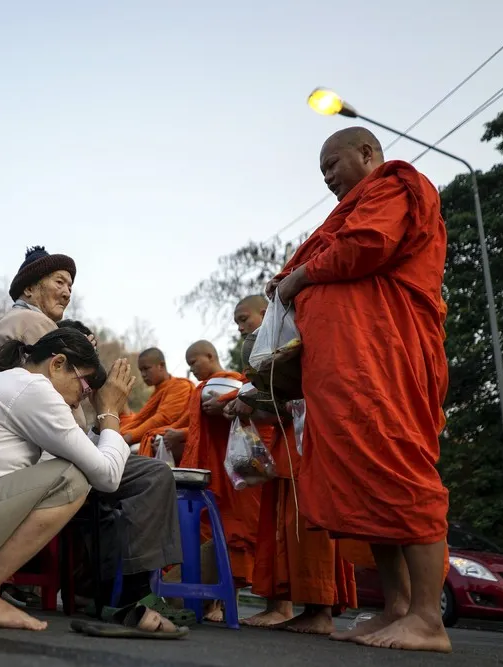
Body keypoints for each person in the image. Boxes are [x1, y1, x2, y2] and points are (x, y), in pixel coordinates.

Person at [267, 127, 450, 653]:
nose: (327, 178)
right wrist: (288, 279)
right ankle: (396, 607)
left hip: (384, 353)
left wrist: (300, 277)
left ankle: (427, 620)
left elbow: (368, 245)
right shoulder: (347, 209)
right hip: (343, 364)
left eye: (332, 165)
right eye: (321, 172)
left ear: (368, 154)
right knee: (366, 475)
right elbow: (322, 251)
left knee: (396, 463)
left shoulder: (397, 185)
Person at [0, 329, 189, 634]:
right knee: (71, 480)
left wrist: (102, 419)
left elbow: (82, 457)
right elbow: (105, 477)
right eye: (82, 389)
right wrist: (109, 412)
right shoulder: (34, 390)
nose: (79, 403)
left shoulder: (13, 387)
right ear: (56, 364)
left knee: (70, 471)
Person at [0, 251, 182, 617]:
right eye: (59, 281)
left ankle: (101, 592)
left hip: (50, 444)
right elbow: (90, 392)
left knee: (108, 481)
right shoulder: (30, 320)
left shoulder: (26, 323)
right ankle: (132, 593)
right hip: (47, 449)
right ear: (30, 287)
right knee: (152, 475)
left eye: (70, 285)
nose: (67, 291)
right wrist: (103, 392)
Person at [226, 296, 357, 633]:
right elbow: (282, 406)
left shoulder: (307, 342)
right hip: (287, 447)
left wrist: (254, 399)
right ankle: (289, 605)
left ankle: (319, 611)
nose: (240, 327)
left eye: (244, 319)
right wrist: (250, 408)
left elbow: (310, 394)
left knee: (308, 529)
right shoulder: (268, 347)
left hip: (309, 448)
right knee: (284, 530)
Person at [148, 341, 259, 621]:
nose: (191, 368)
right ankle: (211, 605)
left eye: (194, 361)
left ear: (210, 356)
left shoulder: (233, 383)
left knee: (232, 535)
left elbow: (244, 413)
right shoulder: (201, 389)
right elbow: (190, 422)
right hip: (209, 473)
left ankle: (224, 604)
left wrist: (223, 404)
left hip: (234, 473)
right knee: (206, 534)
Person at [121, 348, 193, 453]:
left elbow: (163, 418)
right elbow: (141, 420)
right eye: (141, 370)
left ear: (161, 365)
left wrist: (130, 437)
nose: (143, 374)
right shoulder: (157, 392)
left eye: (146, 369)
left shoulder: (180, 386)